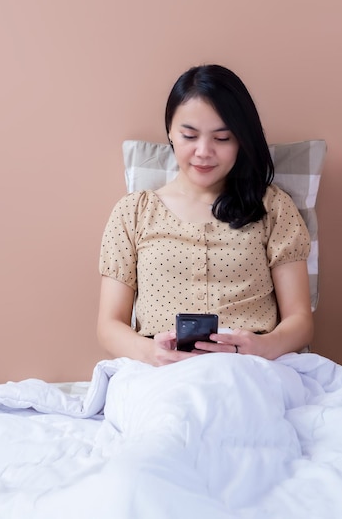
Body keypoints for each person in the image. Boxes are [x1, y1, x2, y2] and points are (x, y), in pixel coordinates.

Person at [97, 65, 314, 366]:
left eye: (222, 139)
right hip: (159, 374)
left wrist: (262, 346)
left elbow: (300, 321)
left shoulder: (274, 208)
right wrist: (152, 353)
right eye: (189, 135)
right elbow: (108, 326)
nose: (203, 151)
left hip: (251, 369)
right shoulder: (133, 212)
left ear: (241, 140)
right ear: (171, 133)